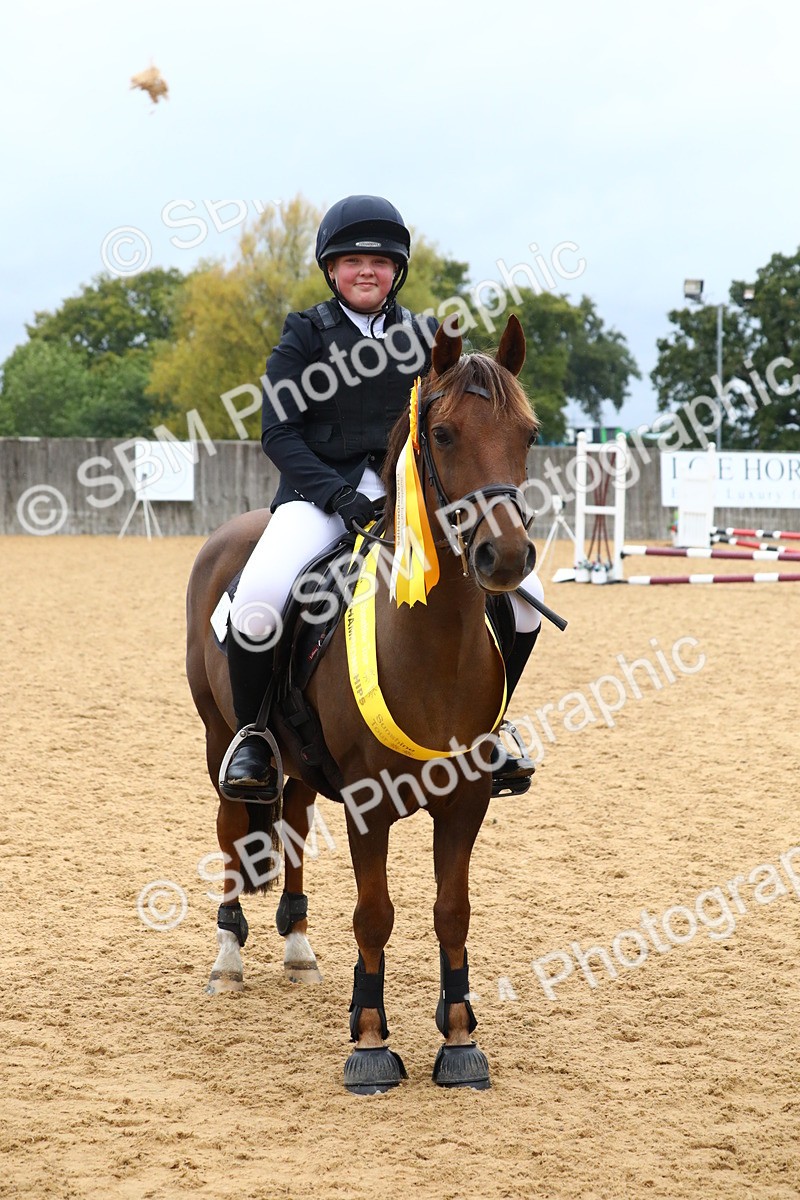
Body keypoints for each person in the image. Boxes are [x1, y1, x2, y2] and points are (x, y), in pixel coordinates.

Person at [223, 195, 544, 800]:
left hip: (410, 496)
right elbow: (278, 432)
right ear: (331, 270)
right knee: (260, 598)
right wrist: (337, 494)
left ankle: (493, 725)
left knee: (529, 600)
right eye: (352, 261)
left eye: (379, 261)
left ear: (397, 271)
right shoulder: (304, 334)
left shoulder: (425, 339)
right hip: (318, 497)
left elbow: (456, 424)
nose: (366, 271)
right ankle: (255, 735)